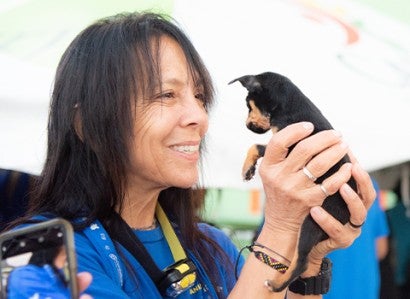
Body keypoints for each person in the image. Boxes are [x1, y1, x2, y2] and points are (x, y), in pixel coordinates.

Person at [10, 12, 375, 298]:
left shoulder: (211, 247)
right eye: (166, 95)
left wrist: (307, 259)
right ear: (86, 123)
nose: (199, 117)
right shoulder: (44, 262)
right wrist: (278, 230)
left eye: (199, 97)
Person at [323, 178, 390, 299]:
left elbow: (282, 268)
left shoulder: (302, 190)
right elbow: (381, 249)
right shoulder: (369, 184)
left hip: (320, 290)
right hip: (365, 289)